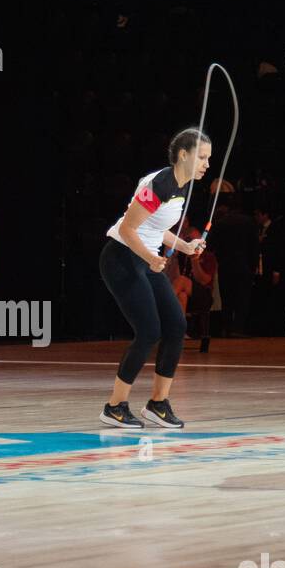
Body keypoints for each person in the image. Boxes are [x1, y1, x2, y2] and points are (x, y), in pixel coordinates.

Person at [98, 128, 210, 429]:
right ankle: (115, 406)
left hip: (146, 258)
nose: (207, 165)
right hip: (122, 257)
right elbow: (127, 229)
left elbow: (155, 226)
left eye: (209, 159)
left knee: (176, 325)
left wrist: (185, 246)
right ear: (183, 155)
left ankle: (158, 404)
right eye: (201, 157)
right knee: (148, 330)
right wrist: (151, 258)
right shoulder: (159, 183)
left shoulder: (183, 185)